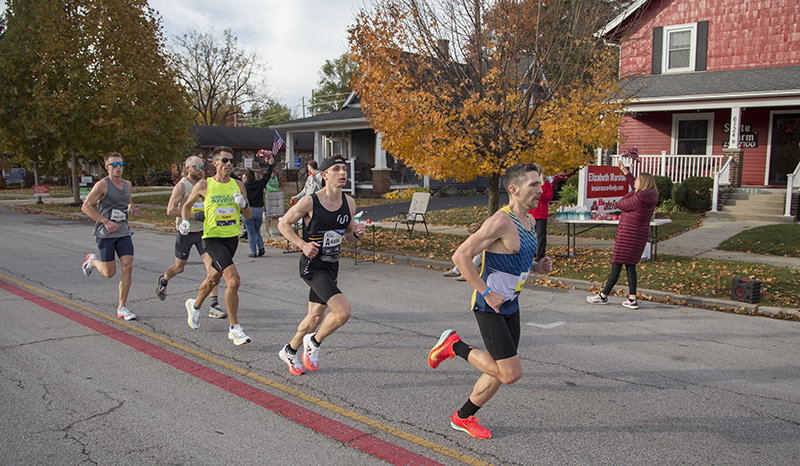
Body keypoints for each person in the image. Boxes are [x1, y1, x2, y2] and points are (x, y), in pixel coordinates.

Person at [428, 163, 553, 439]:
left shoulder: (529, 221)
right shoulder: (500, 221)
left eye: (539, 183)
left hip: (511, 304)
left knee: (500, 371)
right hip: (490, 306)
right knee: (510, 373)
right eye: (533, 184)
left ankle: (463, 416)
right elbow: (460, 257)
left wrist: (536, 266)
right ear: (514, 189)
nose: (539, 189)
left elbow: (514, 259)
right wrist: (486, 291)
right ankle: (453, 345)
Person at [277, 155, 366, 375]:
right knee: (343, 312)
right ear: (324, 175)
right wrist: (301, 244)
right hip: (312, 265)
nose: (342, 173)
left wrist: (356, 233)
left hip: (331, 265)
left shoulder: (349, 202)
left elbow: (348, 238)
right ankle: (314, 343)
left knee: (315, 317)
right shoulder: (310, 201)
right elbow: (283, 224)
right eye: (336, 169)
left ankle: (290, 350)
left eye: (344, 169)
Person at [179, 146, 253, 345]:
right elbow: (186, 205)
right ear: (214, 163)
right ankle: (234, 328)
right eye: (225, 161)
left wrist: (244, 205)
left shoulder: (238, 185)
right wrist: (185, 221)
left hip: (231, 239)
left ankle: (194, 306)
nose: (229, 164)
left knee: (213, 280)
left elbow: (249, 216)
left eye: (231, 161)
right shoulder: (204, 185)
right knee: (233, 281)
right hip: (212, 239)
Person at [155, 156, 227, 319]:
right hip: (186, 231)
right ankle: (164, 280)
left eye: (202, 166)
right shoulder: (182, 186)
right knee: (179, 267)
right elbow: (171, 210)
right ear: (187, 169)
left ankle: (214, 305)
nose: (200, 169)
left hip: (204, 232)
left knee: (213, 268)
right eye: (196, 167)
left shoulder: (206, 184)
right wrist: (195, 216)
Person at [587, 162, 658, 309]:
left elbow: (621, 204)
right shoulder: (648, 196)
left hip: (628, 235)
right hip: (638, 235)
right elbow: (635, 187)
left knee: (617, 263)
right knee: (630, 264)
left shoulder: (638, 198)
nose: (635, 182)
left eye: (638, 180)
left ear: (643, 184)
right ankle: (632, 298)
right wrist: (626, 173)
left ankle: (603, 295)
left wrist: (633, 191)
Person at [81, 152, 142, 321]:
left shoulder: (127, 184)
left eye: (121, 164)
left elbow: (127, 203)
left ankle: (122, 307)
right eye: (114, 165)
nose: (118, 168)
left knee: (127, 266)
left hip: (123, 231)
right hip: (105, 233)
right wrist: (105, 221)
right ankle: (92, 260)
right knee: (109, 273)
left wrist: (132, 210)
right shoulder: (102, 185)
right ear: (107, 167)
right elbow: (86, 207)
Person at [242, 153, 275, 257]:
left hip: (249, 210)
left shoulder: (243, 187)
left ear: (246, 177)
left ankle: (253, 251)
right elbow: (267, 176)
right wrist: (270, 165)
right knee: (257, 230)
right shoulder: (259, 184)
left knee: (250, 232)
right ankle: (261, 248)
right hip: (259, 210)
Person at [528, 162, 553, 262]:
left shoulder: (545, 183)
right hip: (531, 212)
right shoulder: (529, 182)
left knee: (541, 235)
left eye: (537, 170)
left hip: (541, 212)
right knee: (529, 234)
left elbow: (549, 197)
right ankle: (530, 254)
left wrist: (539, 195)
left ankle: (540, 256)